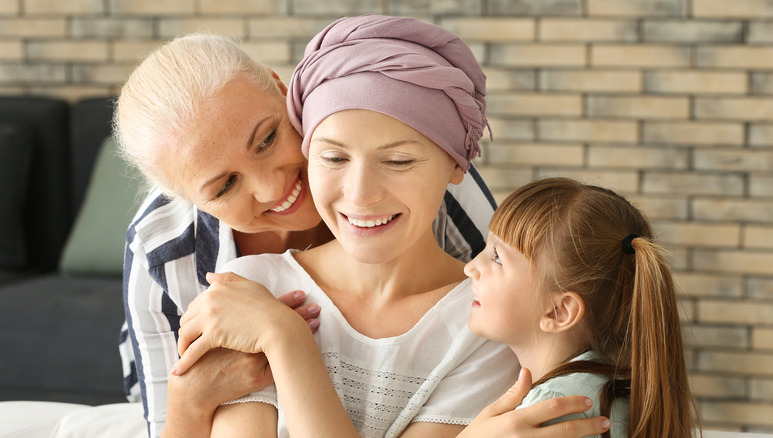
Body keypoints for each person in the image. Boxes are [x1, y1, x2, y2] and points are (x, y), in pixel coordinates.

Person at [170, 15, 612, 438]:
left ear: (457, 165)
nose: (361, 194)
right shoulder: (253, 289)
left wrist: (285, 338)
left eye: (398, 161)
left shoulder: (484, 324)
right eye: (333, 158)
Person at [114, 30, 496, 437]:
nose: (272, 188)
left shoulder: (431, 176)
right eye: (225, 186)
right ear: (190, 199)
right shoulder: (164, 252)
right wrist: (189, 397)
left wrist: (283, 335)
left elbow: (505, 296)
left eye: (267, 140)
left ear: (282, 92)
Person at [463, 177, 701, 437]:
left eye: (497, 258)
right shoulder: (610, 389)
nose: (470, 267)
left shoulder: (555, 408)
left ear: (559, 311)